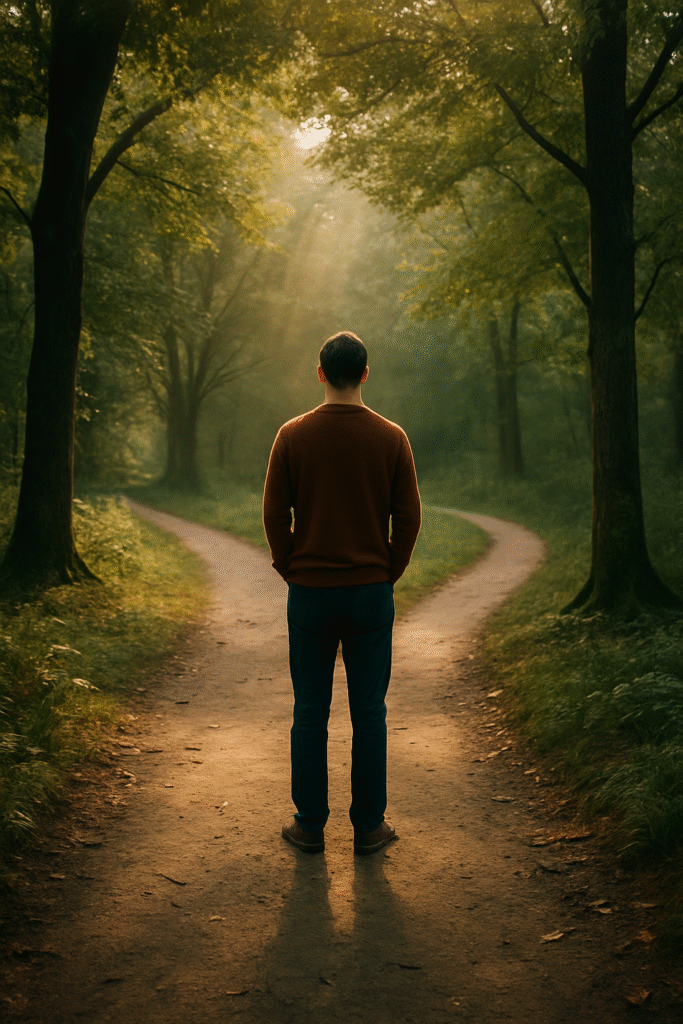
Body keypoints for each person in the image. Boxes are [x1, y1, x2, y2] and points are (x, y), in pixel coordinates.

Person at [262, 331, 422, 855]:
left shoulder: (292, 435)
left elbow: (274, 513)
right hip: (370, 594)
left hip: (309, 594)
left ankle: (309, 826)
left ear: (321, 373)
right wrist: (389, 570)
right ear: (366, 374)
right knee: (369, 711)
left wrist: (290, 565)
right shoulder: (391, 437)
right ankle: (369, 828)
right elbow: (409, 516)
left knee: (310, 710)